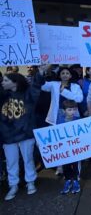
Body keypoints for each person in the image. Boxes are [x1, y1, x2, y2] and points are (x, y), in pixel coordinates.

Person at [0, 65, 46, 201]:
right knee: (11, 162)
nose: (2, 82)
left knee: (28, 159)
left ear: (15, 83)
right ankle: (13, 185)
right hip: (8, 136)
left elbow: (36, 85)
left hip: (26, 134)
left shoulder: (28, 95)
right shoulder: (2, 96)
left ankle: (30, 182)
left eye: (6, 80)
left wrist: (42, 71)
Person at [41, 67, 83, 175]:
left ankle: (74, 168)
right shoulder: (54, 84)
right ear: (59, 75)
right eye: (62, 73)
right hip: (57, 115)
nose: (65, 75)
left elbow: (79, 99)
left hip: (72, 116)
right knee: (59, 143)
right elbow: (42, 85)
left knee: (72, 142)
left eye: (67, 73)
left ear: (70, 75)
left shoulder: (76, 86)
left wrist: (63, 91)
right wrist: (41, 71)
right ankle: (60, 167)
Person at [58, 100, 81, 194]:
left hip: (75, 148)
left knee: (75, 165)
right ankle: (68, 180)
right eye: (69, 110)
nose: (72, 112)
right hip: (65, 149)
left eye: (73, 110)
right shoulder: (59, 121)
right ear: (64, 111)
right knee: (66, 165)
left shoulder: (77, 120)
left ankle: (75, 181)